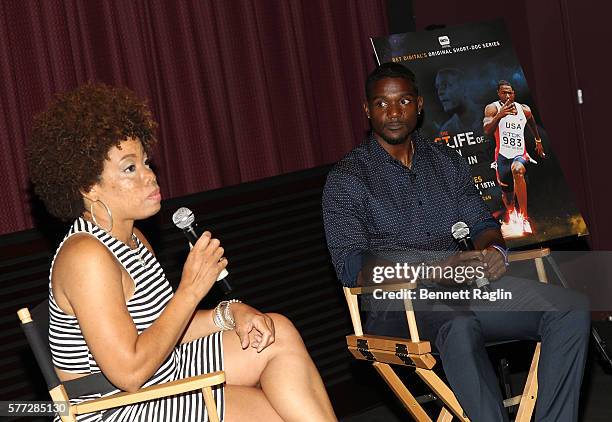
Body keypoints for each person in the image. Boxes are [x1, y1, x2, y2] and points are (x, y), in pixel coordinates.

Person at [27, 83, 337, 422]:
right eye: (130, 168)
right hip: (115, 407)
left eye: (146, 162)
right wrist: (190, 289)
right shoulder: (85, 256)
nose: (150, 176)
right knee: (274, 416)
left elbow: (165, 328)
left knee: (276, 332)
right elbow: (129, 373)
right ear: (89, 186)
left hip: (161, 374)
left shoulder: (134, 239)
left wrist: (231, 313)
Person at [322, 62, 589, 421]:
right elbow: (351, 267)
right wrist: (434, 269)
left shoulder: (445, 161)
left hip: (465, 291)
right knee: (459, 326)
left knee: (570, 307)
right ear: (367, 109)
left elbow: (482, 224)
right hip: (396, 307)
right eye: (382, 104)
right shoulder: (347, 180)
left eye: (402, 101)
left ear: (418, 105)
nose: (393, 112)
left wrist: (494, 250)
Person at [483, 80, 546, 234]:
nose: (508, 95)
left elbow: (531, 120)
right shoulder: (492, 108)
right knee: (508, 197)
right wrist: (500, 115)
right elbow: (487, 130)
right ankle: (512, 213)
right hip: (502, 157)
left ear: (514, 94)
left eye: (510, 92)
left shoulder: (523, 109)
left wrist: (538, 140)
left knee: (518, 170)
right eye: (504, 92)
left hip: (520, 154)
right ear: (498, 93)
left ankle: (524, 218)